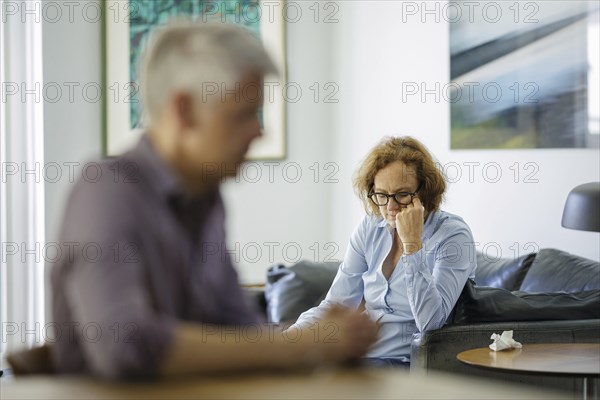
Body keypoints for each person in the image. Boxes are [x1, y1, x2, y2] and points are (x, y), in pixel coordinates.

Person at [50, 21, 378, 380]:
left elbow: (238, 327)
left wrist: (324, 342)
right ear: (184, 111)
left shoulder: (207, 201)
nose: (259, 130)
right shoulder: (105, 193)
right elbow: (126, 346)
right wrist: (301, 345)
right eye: (244, 113)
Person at [288, 136, 477, 367]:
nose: (390, 207)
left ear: (425, 191)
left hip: (408, 362)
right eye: (381, 195)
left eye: (402, 194)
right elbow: (336, 303)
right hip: (359, 356)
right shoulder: (370, 227)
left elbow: (431, 323)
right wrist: (289, 339)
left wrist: (412, 246)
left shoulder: (453, 236)